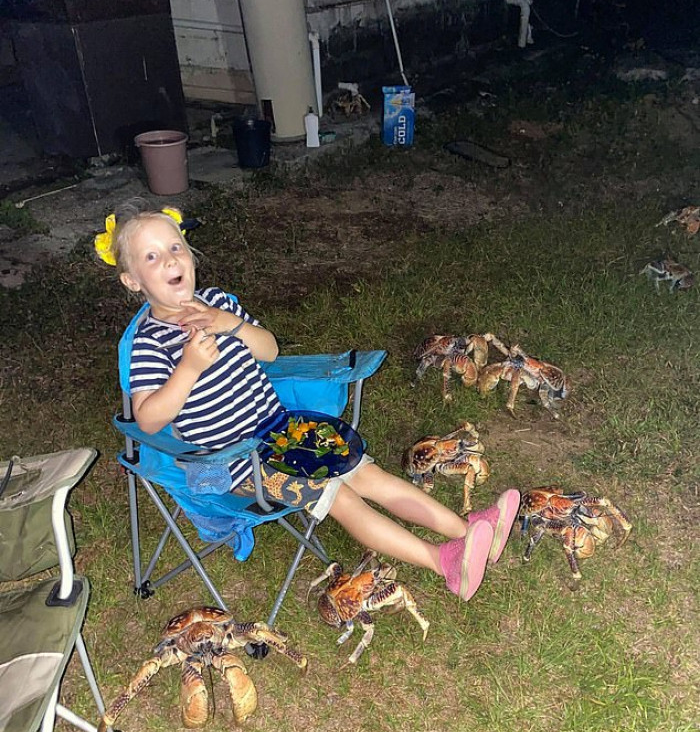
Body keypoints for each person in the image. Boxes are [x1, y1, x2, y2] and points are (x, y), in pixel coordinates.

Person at [97, 201, 520, 603]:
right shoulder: (150, 344)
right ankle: (441, 562)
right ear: (132, 280)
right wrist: (188, 368)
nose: (170, 261)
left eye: (175, 248)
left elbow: (269, 351)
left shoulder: (220, 303)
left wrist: (231, 324)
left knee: (369, 474)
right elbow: (148, 420)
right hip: (236, 462)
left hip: (284, 431)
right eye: (151, 258)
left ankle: (468, 532)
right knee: (342, 497)